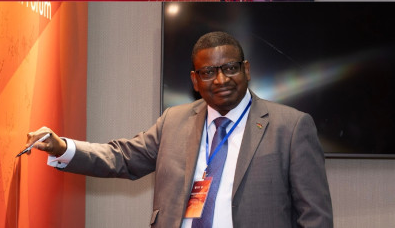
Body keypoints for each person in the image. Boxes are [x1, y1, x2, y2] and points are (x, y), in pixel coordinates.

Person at [25, 31, 333, 228]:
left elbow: (315, 218)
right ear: (195, 81)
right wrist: (62, 147)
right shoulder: (174, 120)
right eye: (209, 72)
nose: (221, 80)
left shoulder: (291, 127)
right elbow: (122, 157)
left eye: (230, 68)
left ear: (246, 70)